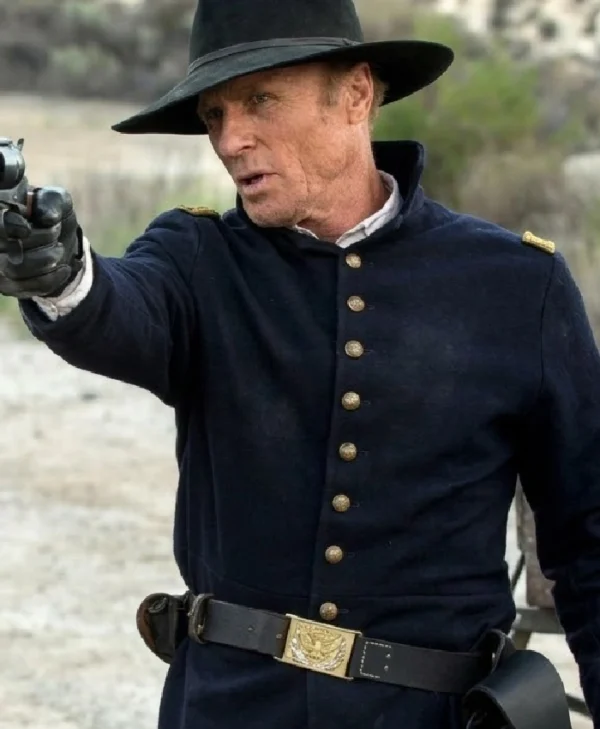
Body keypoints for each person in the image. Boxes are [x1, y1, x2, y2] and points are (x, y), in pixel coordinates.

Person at [1, 0, 599, 727]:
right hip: (232, 709)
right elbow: (120, 309)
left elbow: (588, 539)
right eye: (215, 115)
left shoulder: (518, 285)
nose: (231, 139)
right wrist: (60, 271)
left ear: (356, 95)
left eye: (260, 101)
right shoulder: (199, 258)